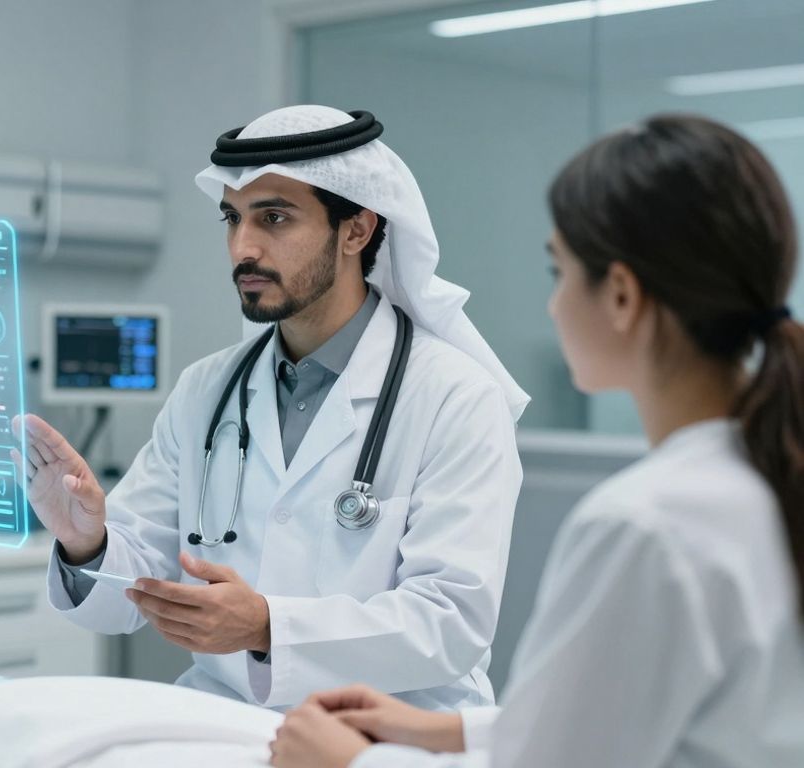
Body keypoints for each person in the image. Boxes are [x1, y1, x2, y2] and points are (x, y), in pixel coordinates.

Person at [269, 114, 804, 767]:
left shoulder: (646, 526)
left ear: (621, 296)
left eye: (559, 271)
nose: (553, 305)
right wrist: (452, 733)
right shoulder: (767, 477)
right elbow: (648, 723)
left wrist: (350, 761)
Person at [14, 106, 529, 711]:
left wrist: (266, 627)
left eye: (274, 218)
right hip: (229, 720)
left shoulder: (455, 397)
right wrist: (86, 543)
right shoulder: (205, 390)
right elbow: (130, 588)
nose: (243, 247)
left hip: (391, 731)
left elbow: (451, 622)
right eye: (232, 218)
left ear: (356, 231)